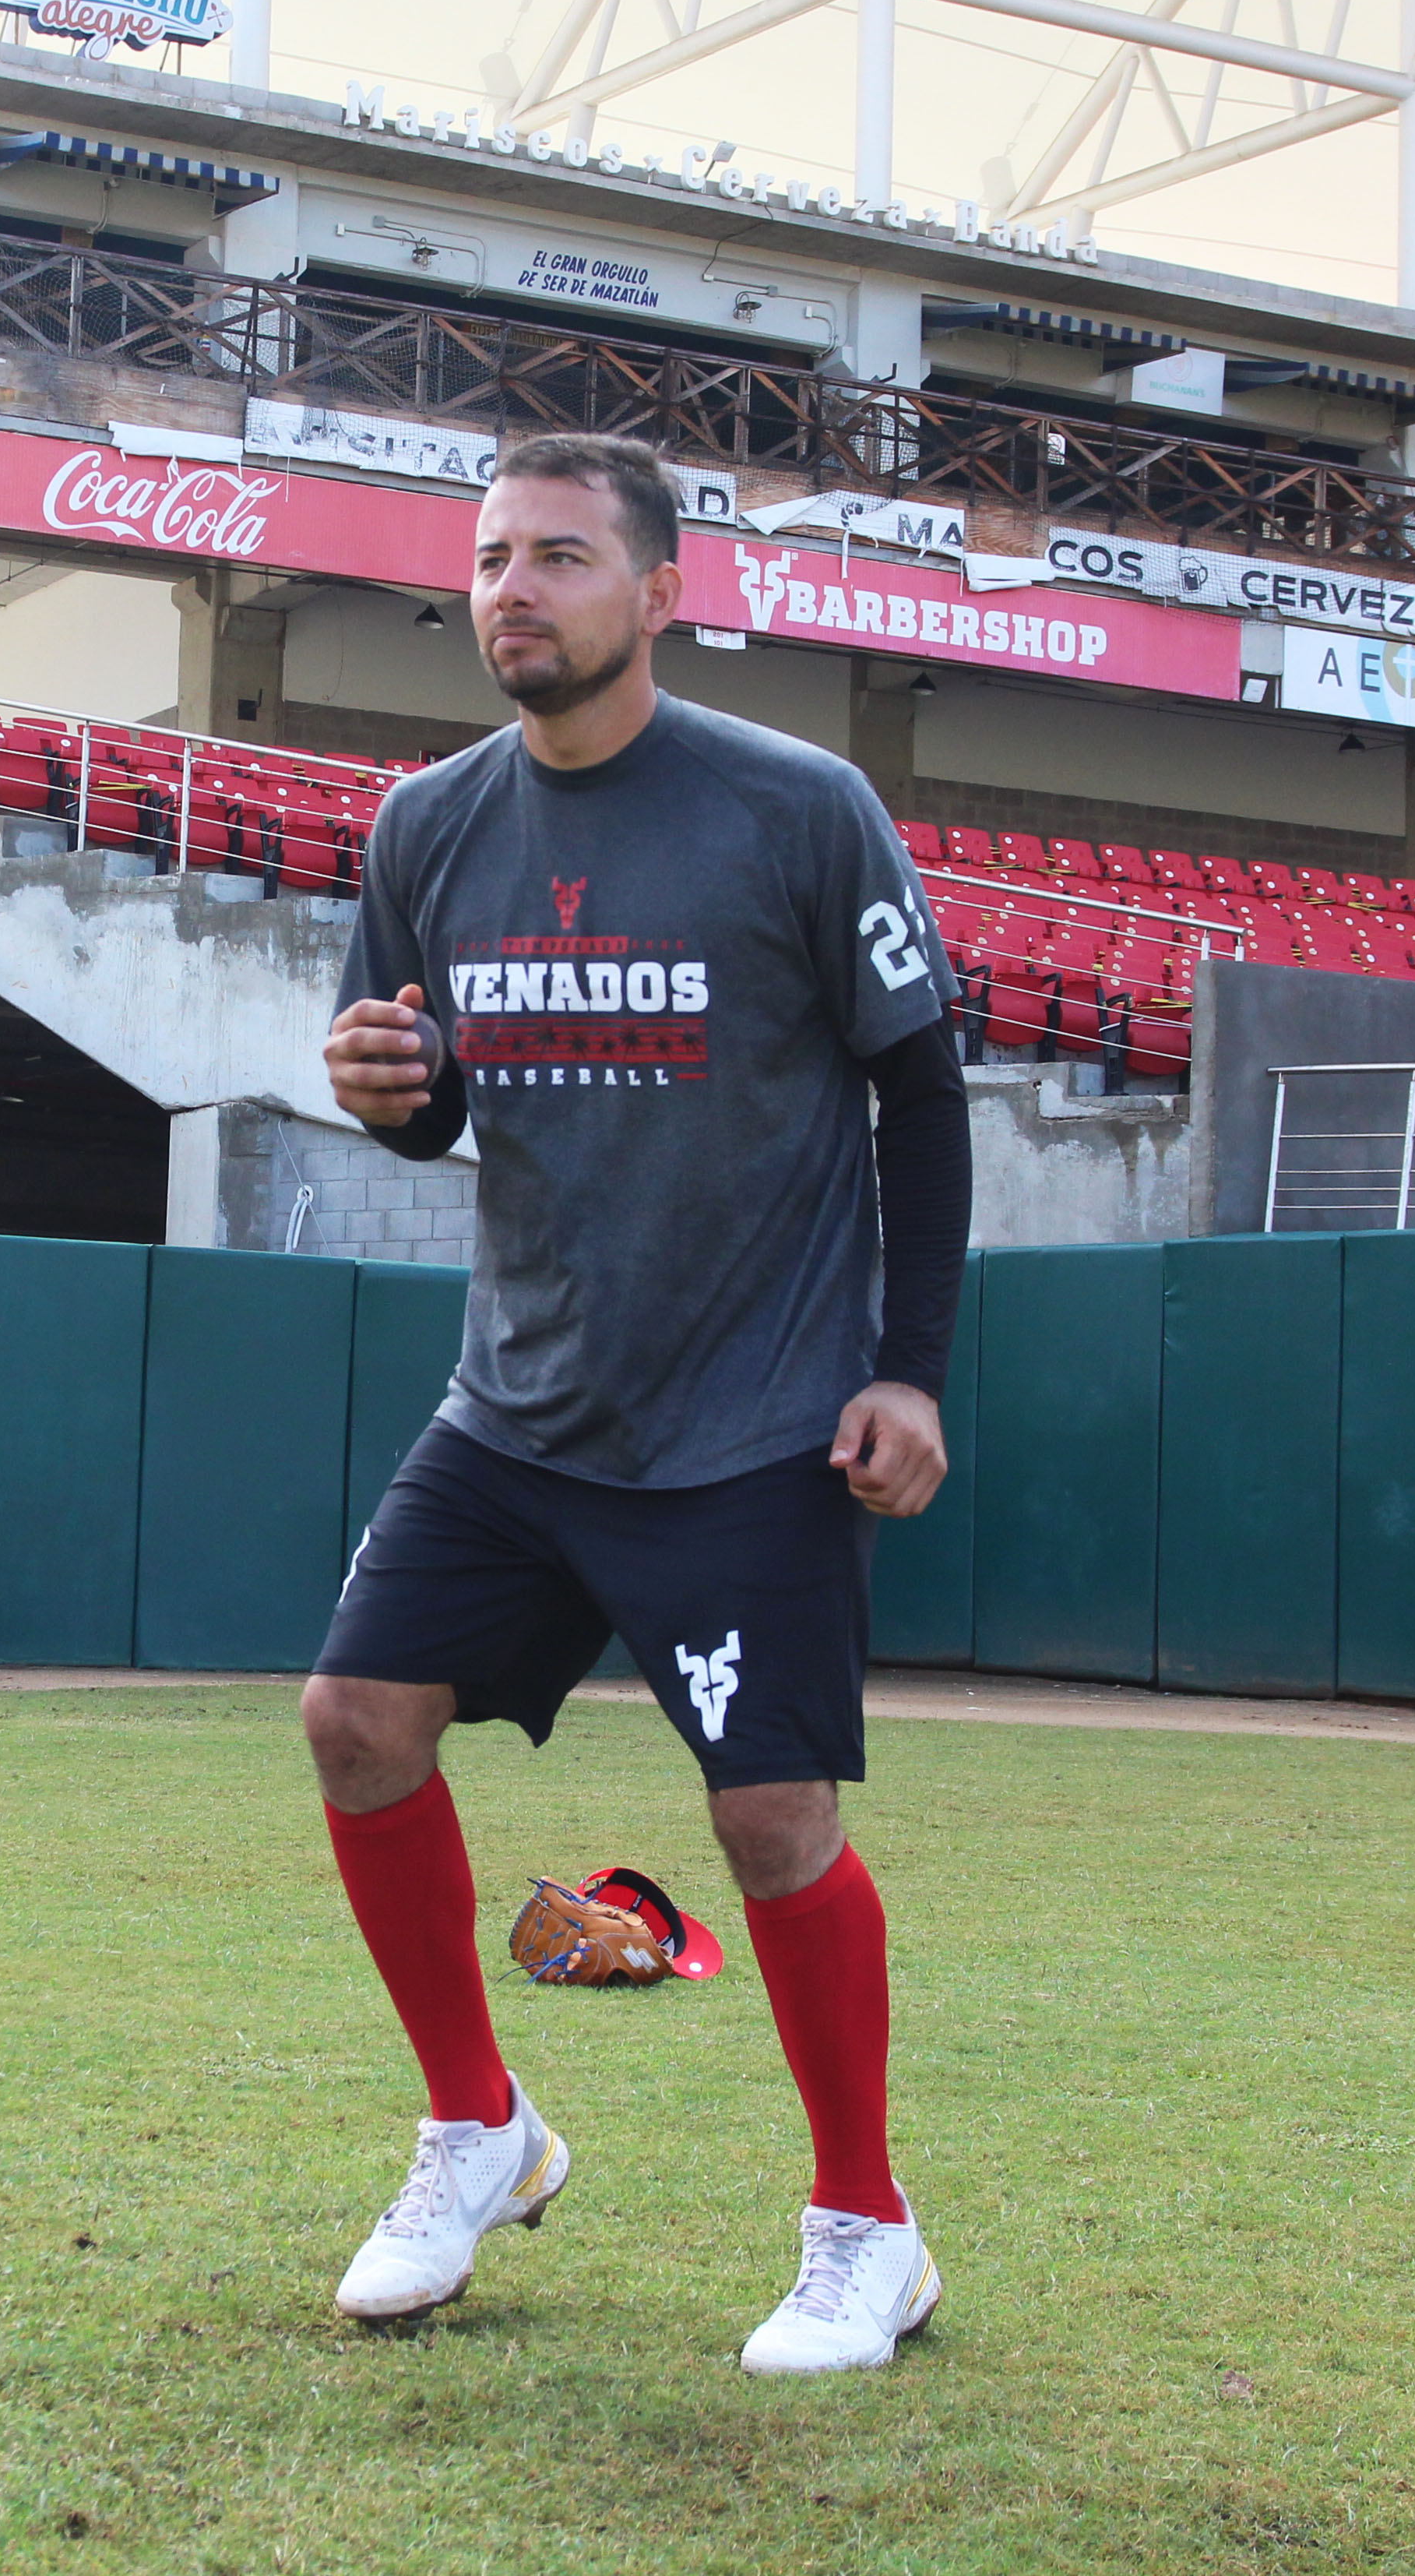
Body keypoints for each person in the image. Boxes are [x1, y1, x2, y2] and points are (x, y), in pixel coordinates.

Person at [307, 431, 972, 2376]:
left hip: (753, 1417)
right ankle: (477, 2127)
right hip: (517, 1404)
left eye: (564, 558)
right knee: (354, 1721)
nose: (515, 589)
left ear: (662, 591)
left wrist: (910, 1368)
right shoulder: (425, 827)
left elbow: (919, 1095)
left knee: (770, 1820)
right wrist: (393, 1092)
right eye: (494, 556)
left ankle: (869, 2233)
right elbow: (437, 1101)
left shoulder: (799, 807)